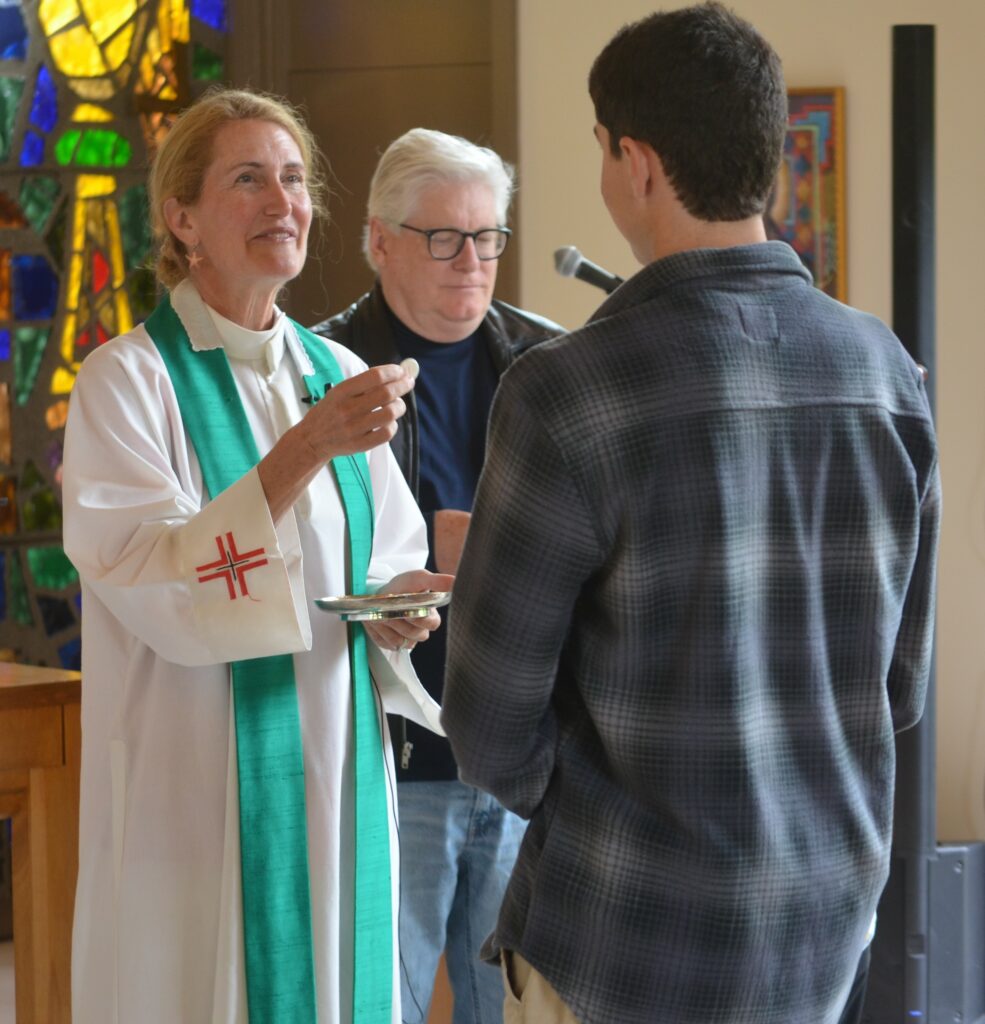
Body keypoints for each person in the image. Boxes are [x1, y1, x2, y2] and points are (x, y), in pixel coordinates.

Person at [441, 5, 941, 1024]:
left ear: (636, 162)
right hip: (821, 924)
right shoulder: (884, 373)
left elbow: (490, 732)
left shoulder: (567, 390)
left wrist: (608, 810)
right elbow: (896, 685)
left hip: (626, 933)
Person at [62, 87, 453, 1024]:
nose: (284, 202)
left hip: (341, 763)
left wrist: (398, 608)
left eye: (293, 179)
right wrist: (303, 451)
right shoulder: (129, 381)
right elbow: (146, 574)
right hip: (195, 780)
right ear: (182, 217)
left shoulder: (340, 375)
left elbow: (379, 559)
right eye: (249, 180)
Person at [312, 127, 562, 1024]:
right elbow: (288, 556)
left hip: (520, 749)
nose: (472, 262)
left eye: (488, 236)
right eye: (444, 238)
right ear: (380, 240)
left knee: (512, 1005)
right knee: (386, 997)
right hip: (393, 746)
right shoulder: (319, 372)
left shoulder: (549, 363)